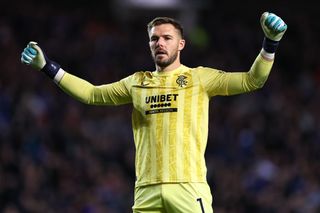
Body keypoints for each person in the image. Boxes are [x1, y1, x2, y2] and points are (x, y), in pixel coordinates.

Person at [21, 12, 287, 213]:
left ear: (181, 44)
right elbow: (91, 94)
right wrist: (47, 66)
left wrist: (270, 43)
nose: (160, 43)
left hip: (188, 187)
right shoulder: (136, 82)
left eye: (167, 38)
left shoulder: (200, 78)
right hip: (146, 190)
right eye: (154, 39)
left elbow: (254, 80)